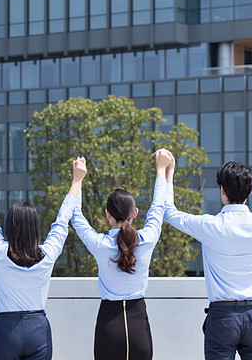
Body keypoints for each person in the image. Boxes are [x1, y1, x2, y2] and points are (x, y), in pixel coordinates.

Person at [162, 143, 252, 360]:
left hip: (222, 317)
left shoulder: (210, 226)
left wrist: (168, 172)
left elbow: (168, 212)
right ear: (249, 191)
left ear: (222, 191)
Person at [0, 152, 84, 360]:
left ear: (9, 227)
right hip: (38, 329)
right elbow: (63, 220)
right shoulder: (48, 254)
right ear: (36, 228)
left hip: (7, 331)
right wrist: (77, 180)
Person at [70, 150, 172, 360]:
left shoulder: (100, 244)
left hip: (109, 325)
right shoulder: (147, 239)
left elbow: (75, 214)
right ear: (134, 214)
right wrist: (161, 170)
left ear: (107, 214)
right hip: (138, 325)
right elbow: (158, 207)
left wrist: (77, 179)